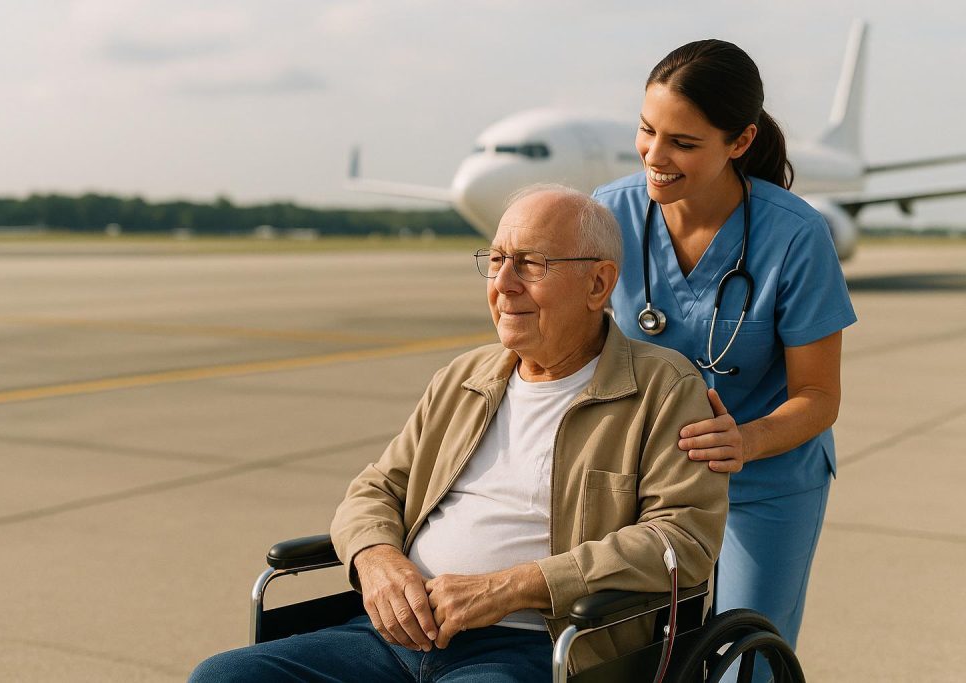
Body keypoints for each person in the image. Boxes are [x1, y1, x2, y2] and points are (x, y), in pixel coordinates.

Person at [190, 187, 729, 682]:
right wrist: (376, 559)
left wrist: (514, 587)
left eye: (531, 264)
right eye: (496, 261)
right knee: (222, 677)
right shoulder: (464, 378)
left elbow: (681, 539)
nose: (503, 283)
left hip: (543, 645)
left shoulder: (662, 387)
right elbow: (375, 489)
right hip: (392, 634)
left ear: (598, 284)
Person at [593, 38, 857, 673]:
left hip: (766, 479)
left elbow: (819, 398)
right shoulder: (610, 212)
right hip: (646, 480)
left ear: (740, 142)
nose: (655, 158)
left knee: (746, 664)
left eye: (683, 143)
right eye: (646, 131)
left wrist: (746, 441)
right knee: (624, 657)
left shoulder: (795, 234)